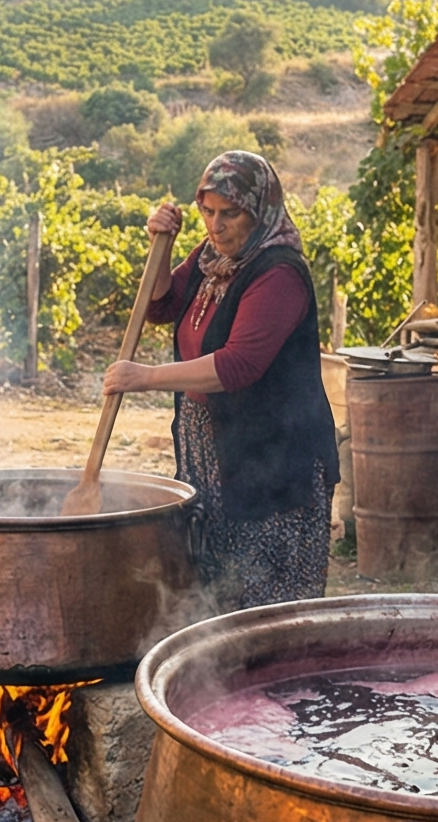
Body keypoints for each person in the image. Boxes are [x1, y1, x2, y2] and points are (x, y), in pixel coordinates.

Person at [104, 151, 341, 612]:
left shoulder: (278, 273)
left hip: (274, 454)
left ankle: (275, 674)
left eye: (230, 213)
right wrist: (164, 244)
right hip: (212, 443)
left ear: (259, 210)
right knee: (217, 579)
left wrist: (145, 378)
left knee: (268, 594)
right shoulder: (212, 258)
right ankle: (225, 675)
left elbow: (238, 366)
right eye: (207, 212)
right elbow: (162, 306)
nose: (216, 225)